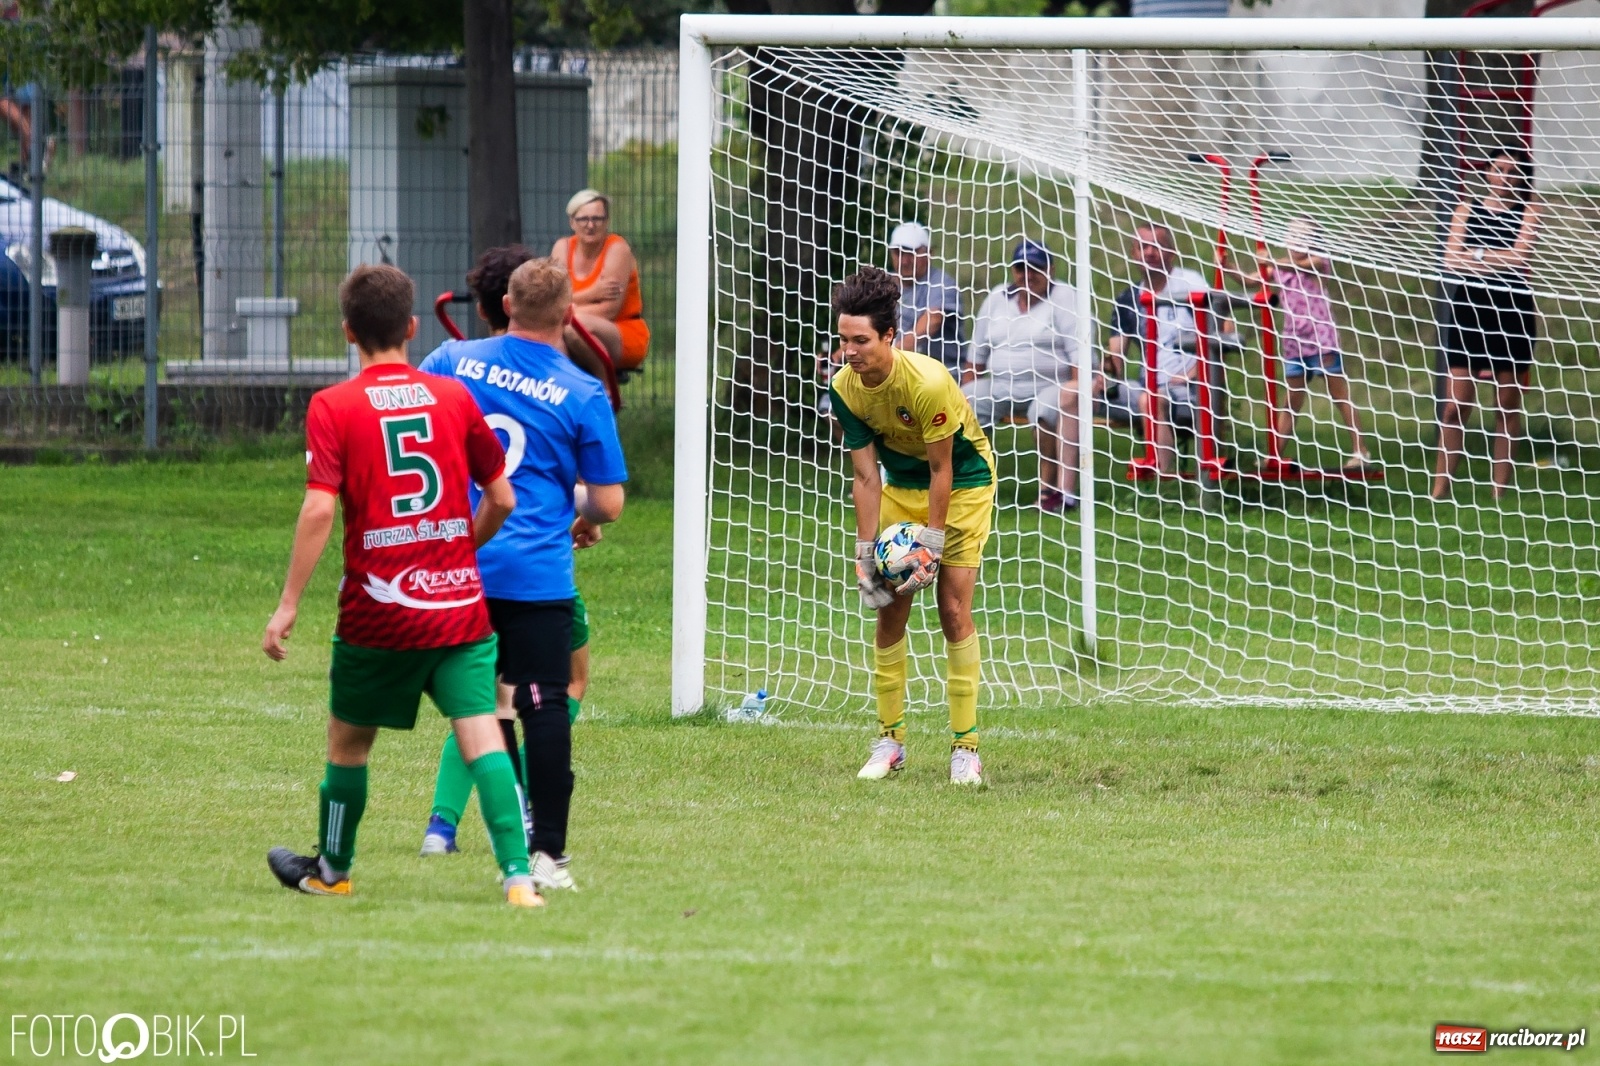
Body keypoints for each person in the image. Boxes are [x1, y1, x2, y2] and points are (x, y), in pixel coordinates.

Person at [262, 263, 541, 908]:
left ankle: (332, 870)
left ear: (348, 333)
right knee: (481, 732)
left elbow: (319, 509)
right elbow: (500, 496)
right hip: (458, 606)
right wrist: (461, 548)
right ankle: (519, 878)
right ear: (413, 327)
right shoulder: (453, 398)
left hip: (379, 610)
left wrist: (288, 605)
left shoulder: (333, 406)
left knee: (348, 744)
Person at [418, 257, 628, 893]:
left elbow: (414, 432)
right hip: (535, 570)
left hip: (461, 565)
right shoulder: (582, 391)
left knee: (483, 706)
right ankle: (547, 854)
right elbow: (609, 502)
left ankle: (484, 831)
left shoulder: (450, 363)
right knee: (545, 703)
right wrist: (577, 511)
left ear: (504, 304)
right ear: (569, 314)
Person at [829, 266, 996, 786]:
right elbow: (864, 475)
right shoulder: (844, 387)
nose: (850, 352)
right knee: (887, 608)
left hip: (963, 485)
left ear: (889, 338)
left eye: (861, 341)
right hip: (900, 488)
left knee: (951, 608)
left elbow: (944, 468)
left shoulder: (927, 382)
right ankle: (890, 741)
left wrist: (934, 538)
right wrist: (865, 552)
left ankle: (965, 748)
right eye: (843, 340)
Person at [1059, 225, 1207, 494]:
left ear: (1171, 252)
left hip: (1190, 389)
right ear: (1134, 254)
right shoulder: (1129, 298)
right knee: (1072, 393)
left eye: (1155, 246)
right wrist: (1102, 377)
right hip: (1146, 386)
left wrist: (1192, 374)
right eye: (1142, 247)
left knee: (1149, 398)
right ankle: (1064, 493)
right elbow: (1116, 353)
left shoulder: (1190, 284)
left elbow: (1224, 331)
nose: (1148, 253)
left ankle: (1161, 489)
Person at [1433, 148, 1541, 501]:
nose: (1506, 176)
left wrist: (1475, 255)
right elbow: (1451, 259)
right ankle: (1439, 490)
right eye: (1499, 169)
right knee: (1453, 408)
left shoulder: (1529, 210)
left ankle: (1498, 492)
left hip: (1511, 310)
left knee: (1506, 404)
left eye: (1513, 171)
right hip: (1470, 309)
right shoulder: (1466, 209)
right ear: (1487, 172)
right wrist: (1491, 258)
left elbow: (1519, 257)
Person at [1238, 217, 1370, 470]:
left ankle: (1360, 450)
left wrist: (1271, 261)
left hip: (1321, 339)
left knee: (1339, 394)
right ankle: (1274, 455)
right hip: (1294, 343)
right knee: (1292, 401)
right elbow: (1249, 280)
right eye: (1294, 236)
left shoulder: (1318, 262)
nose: (1298, 242)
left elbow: (1301, 267)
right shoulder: (1279, 268)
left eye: (1305, 238)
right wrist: (1229, 266)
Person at [962, 239, 1078, 512]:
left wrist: (1078, 387)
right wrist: (963, 391)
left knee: (1044, 410)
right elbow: (975, 357)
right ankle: (972, 486)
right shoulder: (997, 298)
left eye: (1035, 269)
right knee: (965, 402)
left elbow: (1080, 358)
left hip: (1050, 384)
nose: (1027, 275)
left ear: (1051, 269)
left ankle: (1049, 492)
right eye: (1020, 268)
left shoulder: (1065, 297)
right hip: (1002, 384)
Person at [816, 221, 964, 418]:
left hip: (937, 372)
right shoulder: (885, 285)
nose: (904, 260)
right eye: (898, 253)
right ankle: (858, 448)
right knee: (834, 410)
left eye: (910, 253)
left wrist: (888, 354)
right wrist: (837, 356)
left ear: (928, 253)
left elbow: (931, 322)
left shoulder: (942, 283)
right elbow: (863, 324)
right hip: (888, 366)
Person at [552, 188, 650, 373]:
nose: (590, 225)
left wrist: (563, 312)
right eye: (583, 219)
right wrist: (593, 293)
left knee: (572, 327)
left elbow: (609, 310)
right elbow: (555, 299)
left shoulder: (617, 249)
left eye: (597, 219)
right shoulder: (562, 248)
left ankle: (605, 385)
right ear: (572, 222)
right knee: (551, 335)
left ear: (607, 222)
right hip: (569, 324)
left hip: (621, 330)